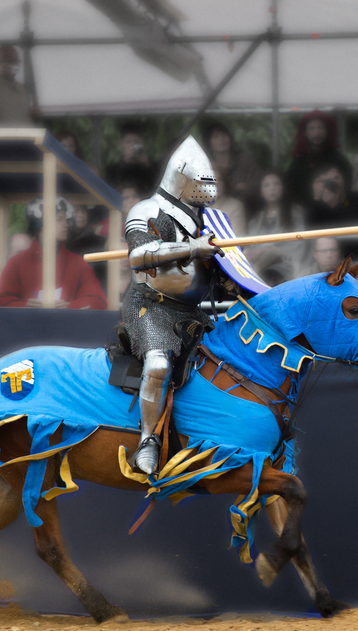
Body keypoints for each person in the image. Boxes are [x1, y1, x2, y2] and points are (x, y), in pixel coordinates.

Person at [121, 136, 225, 475]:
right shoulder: (148, 211)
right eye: (202, 182)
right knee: (158, 364)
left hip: (194, 310)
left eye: (210, 183)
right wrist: (192, 249)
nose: (207, 190)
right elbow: (138, 256)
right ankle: (147, 441)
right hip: (151, 305)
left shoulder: (207, 220)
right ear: (182, 179)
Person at [0, 196, 107, 310]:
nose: (66, 224)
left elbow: (98, 300)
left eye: (66, 219)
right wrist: (24, 307)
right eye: (59, 219)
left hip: (66, 327)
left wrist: (70, 307)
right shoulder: (17, 262)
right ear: (42, 225)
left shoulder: (77, 262)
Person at [243, 170, 306, 286]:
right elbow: (250, 248)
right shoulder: (255, 219)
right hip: (257, 268)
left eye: (276, 184)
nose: (272, 188)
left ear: (283, 188)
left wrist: (264, 251)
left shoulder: (296, 214)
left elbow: (297, 248)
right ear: (261, 191)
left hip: (286, 270)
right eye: (266, 185)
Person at [285, 110, 352, 207]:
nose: (317, 133)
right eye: (312, 128)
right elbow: (290, 192)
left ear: (327, 131)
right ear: (305, 133)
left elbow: (346, 190)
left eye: (321, 127)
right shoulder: (297, 164)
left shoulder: (339, 160)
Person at [203, 122, 260, 205]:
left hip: (248, 205)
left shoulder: (245, 159)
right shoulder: (207, 166)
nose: (221, 139)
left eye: (224, 135)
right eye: (216, 137)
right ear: (209, 144)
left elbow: (257, 185)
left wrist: (244, 188)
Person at [104, 123, 155, 190]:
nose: (133, 145)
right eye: (128, 142)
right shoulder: (112, 169)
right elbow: (113, 187)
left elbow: (156, 185)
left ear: (142, 142)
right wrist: (126, 161)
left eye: (136, 142)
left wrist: (147, 165)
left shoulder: (151, 166)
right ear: (121, 143)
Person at [212, 168, 248, 236]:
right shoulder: (199, 207)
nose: (217, 184)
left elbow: (238, 237)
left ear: (225, 183)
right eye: (213, 181)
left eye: (220, 180)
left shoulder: (236, 206)